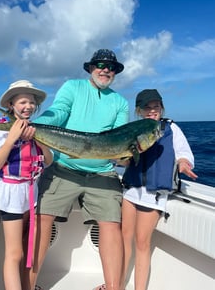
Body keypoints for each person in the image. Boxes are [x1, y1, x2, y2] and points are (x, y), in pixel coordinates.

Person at [25, 49, 129, 290]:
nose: (106, 70)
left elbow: (118, 141)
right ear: (91, 68)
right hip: (63, 169)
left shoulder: (120, 102)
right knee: (41, 220)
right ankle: (28, 287)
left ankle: (114, 288)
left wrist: (130, 156)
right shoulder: (72, 87)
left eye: (111, 67)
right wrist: (36, 126)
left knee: (112, 224)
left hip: (103, 172)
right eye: (101, 65)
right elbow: (59, 111)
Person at [121, 89, 198, 290]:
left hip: (152, 195)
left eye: (156, 107)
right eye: (147, 107)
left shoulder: (171, 128)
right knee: (124, 238)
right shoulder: (132, 128)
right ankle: (117, 285)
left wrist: (183, 164)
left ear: (161, 108)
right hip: (130, 190)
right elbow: (124, 160)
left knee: (141, 243)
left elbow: (184, 154)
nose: (152, 111)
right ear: (139, 111)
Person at [0, 80, 53, 290]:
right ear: (11, 105)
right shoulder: (2, 131)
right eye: (23, 101)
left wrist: (40, 141)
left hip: (31, 194)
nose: (28, 106)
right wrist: (11, 139)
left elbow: (48, 160)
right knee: (15, 254)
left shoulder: (35, 130)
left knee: (27, 248)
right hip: (13, 196)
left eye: (32, 102)